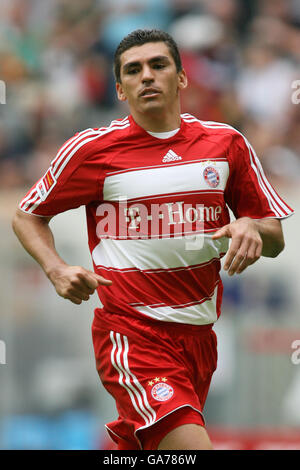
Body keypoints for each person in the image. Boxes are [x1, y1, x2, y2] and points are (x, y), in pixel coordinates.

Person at [12, 29, 294, 451]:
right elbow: (27, 215)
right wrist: (56, 269)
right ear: (120, 89)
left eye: (158, 65)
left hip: (199, 340)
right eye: (133, 70)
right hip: (131, 335)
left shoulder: (226, 144)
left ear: (181, 78)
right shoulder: (93, 150)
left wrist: (251, 228)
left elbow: (274, 236)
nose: (146, 76)